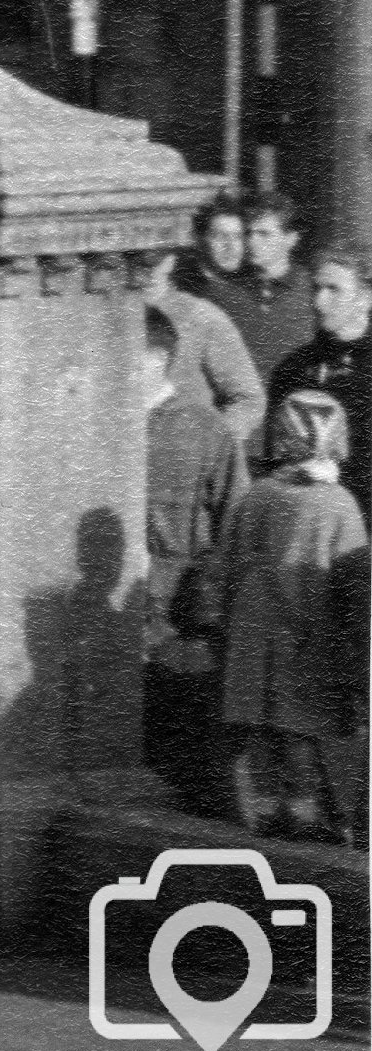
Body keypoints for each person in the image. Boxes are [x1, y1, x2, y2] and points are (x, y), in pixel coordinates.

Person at [218, 390, 367, 842]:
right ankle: (304, 815)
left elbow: (229, 563)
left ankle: (256, 814)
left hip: (252, 636)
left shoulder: (257, 495)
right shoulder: (339, 504)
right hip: (310, 635)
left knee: (257, 730)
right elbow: (356, 586)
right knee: (302, 731)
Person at [139, 306, 248, 815]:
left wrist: (206, 624)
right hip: (109, 629)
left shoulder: (206, 432)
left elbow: (234, 535)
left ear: (156, 358)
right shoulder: (85, 427)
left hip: (175, 631)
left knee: (187, 773)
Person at [269, 241, 372, 521]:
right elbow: (275, 460)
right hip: (303, 521)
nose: (319, 301)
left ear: (365, 297)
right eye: (316, 289)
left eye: (334, 290)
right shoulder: (292, 369)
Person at [144, 251, 265, 445]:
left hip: (182, 455)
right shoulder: (97, 312)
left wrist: (210, 446)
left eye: (154, 261)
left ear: (170, 260)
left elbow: (249, 400)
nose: (146, 271)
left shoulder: (201, 317)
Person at [214, 192, 318, 380]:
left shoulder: (313, 290)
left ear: (291, 239)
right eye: (248, 233)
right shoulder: (223, 292)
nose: (252, 242)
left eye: (264, 234)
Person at [172, 192, 245, 307]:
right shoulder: (186, 296)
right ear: (198, 239)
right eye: (221, 236)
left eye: (237, 236)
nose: (231, 246)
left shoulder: (241, 291)